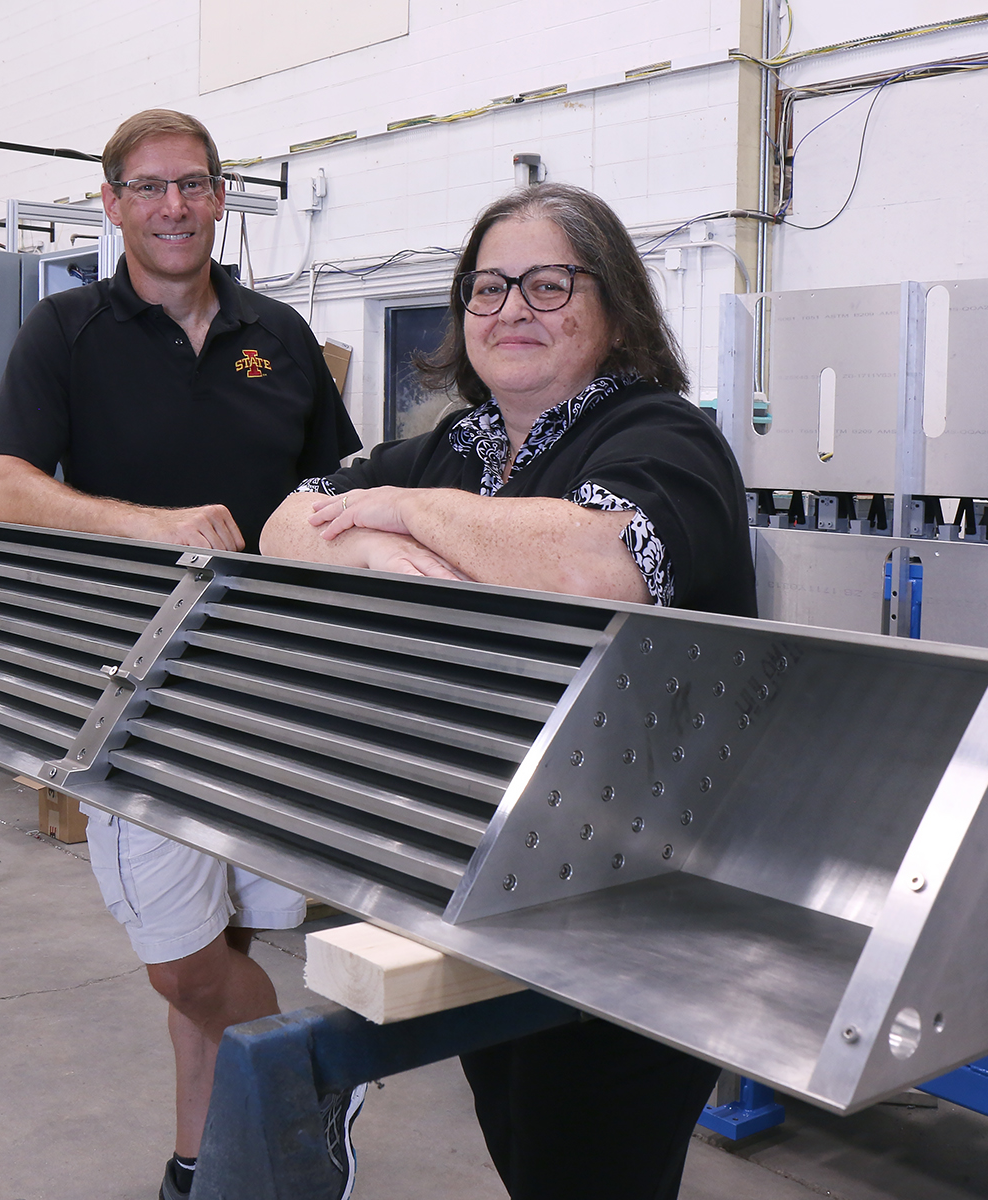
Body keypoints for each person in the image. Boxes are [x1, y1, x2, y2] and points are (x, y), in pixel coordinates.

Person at [262, 182, 755, 1200]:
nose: (509, 311)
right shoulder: (464, 447)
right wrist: (403, 559)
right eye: (487, 290)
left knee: (590, 1166)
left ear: (614, 306)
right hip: (494, 876)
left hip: (641, 904)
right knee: (529, 1154)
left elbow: (599, 562)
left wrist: (397, 509)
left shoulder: (667, 440)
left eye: (546, 284)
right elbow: (285, 523)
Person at [0, 109, 363, 1200]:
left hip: (264, 687)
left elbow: (335, 493)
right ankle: (314, 1081)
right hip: (127, 693)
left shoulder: (278, 336)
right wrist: (153, 525)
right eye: (147, 189)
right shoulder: (65, 332)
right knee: (182, 960)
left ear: (221, 196)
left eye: (191, 185)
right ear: (111, 203)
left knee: (227, 934)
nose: (172, 208)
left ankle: (203, 1163)